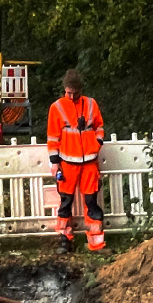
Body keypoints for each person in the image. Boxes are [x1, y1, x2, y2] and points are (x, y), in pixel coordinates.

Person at [47, 68, 106, 252]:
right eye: (68, 92)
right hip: (67, 164)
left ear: (81, 90)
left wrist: (97, 143)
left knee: (91, 203)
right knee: (65, 203)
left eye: (74, 93)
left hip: (89, 162)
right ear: (64, 89)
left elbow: (99, 126)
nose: (71, 96)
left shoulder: (90, 104)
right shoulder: (57, 107)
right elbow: (52, 137)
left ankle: (96, 244)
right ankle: (65, 241)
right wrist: (54, 162)